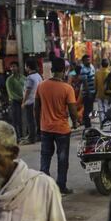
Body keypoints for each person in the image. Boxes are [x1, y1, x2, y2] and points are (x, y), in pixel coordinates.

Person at [35, 57, 79, 195]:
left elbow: (36, 108)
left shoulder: (41, 85)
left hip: (45, 128)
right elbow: (72, 109)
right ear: (64, 70)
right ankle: (61, 186)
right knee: (62, 159)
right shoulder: (67, 88)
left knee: (45, 157)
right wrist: (76, 122)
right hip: (62, 129)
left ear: (52, 70)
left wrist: (38, 124)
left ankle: (44, 187)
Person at [21, 59, 42, 144]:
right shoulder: (38, 76)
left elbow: (27, 91)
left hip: (30, 102)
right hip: (37, 100)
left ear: (28, 67)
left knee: (30, 121)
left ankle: (31, 138)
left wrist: (23, 102)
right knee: (37, 120)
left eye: (25, 66)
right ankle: (38, 136)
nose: (25, 68)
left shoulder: (29, 77)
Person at [5, 61, 25, 139]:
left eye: (14, 66)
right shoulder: (9, 80)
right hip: (15, 102)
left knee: (23, 120)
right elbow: (11, 93)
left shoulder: (23, 77)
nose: (13, 68)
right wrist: (20, 99)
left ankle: (23, 135)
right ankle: (17, 136)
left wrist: (24, 98)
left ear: (18, 67)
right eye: (11, 67)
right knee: (16, 120)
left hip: (23, 101)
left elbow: (26, 88)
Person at [79, 55, 97, 128]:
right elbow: (85, 82)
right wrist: (89, 93)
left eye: (89, 60)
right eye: (87, 60)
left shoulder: (92, 66)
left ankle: (88, 122)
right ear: (83, 61)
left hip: (93, 91)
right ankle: (87, 125)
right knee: (87, 109)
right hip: (87, 93)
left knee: (90, 108)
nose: (88, 61)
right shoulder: (83, 70)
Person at [94, 58, 111, 123]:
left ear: (101, 65)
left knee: (100, 108)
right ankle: (106, 121)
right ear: (108, 65)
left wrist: (95, 92)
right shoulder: (109, 73)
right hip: (107, 94)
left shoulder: (97, 72)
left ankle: (102, 121)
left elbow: (95, 84)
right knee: (106, 107)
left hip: (99, 93)